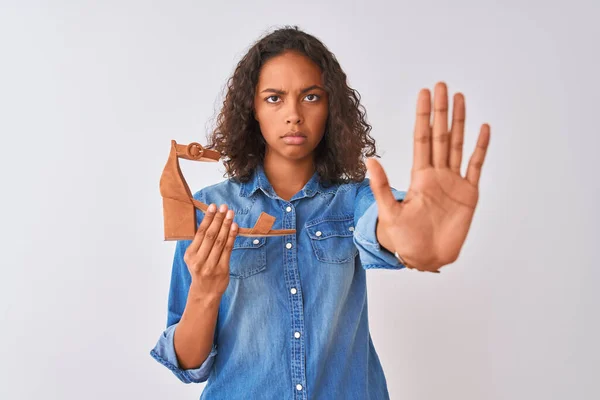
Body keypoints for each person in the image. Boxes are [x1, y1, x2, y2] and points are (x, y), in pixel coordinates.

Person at [150, 26, 490, 399]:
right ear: (254, 109)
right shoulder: (208, 211)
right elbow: (187, 364)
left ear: (331, 108)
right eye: (275, 98)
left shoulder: (353, 200)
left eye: (311, 97)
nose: (294, 114)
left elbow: (385, 223)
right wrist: (204, 292)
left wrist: (414, 232)